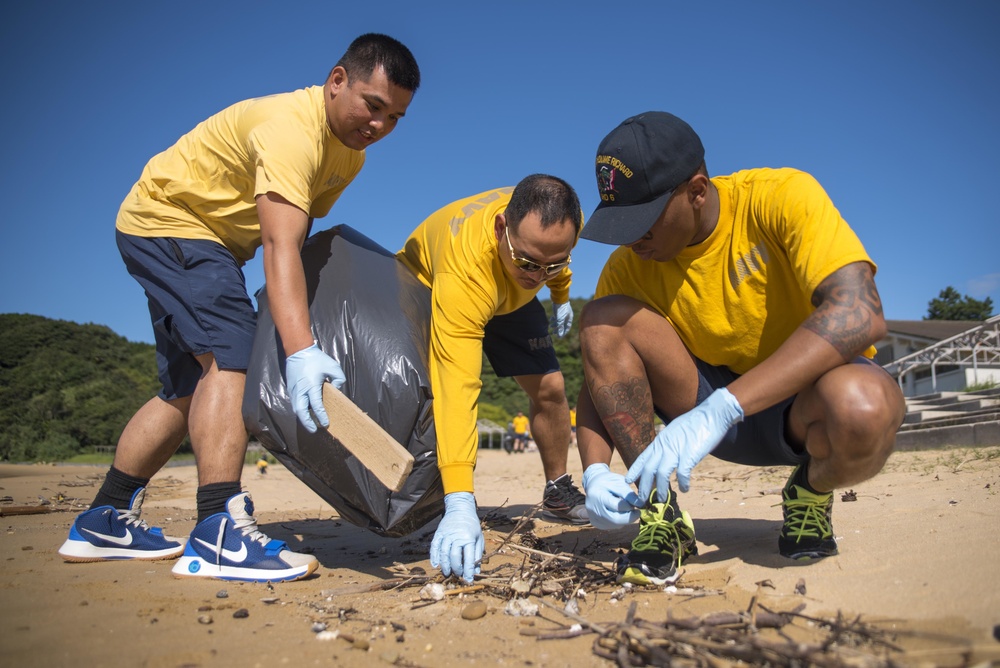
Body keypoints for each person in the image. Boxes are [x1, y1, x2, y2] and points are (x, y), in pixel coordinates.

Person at [57, 34, 421, 583]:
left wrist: (303, 322)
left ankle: (104, 517)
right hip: (173, 222)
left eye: (394, 117)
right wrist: (299, 351)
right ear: (337, 80)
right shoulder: (291, 131)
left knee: (187, 387)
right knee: (232, 358)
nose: (378, 126)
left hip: (207, 243)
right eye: (372, 105)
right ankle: (217, 530)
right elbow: (278, 247)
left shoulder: (351, 156)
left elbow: (298, 239)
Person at [575, 111, 906, 586]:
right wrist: (594, 473)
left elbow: (861, 311)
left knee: (865, 406)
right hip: (702, 404)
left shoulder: (779, 197)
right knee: (601, 316)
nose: (632, 239)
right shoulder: (630, 264)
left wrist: (724, 409)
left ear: (697, 190)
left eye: (644, 222)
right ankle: (660, 515)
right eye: (622, 224)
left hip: (802, 409)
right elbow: (600, 370)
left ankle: (810, 493)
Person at [396, 175, 589, 583]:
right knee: (421, 394)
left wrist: (560, 296)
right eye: (529, 261)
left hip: (509, 295)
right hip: (433, 286)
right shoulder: (465, 269)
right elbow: (459, 385)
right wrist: (462, 499)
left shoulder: (554, 238)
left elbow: (547, 265)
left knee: (552, 388)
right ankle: (437, 496)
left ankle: (558, 490)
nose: (539, 274)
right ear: (502, 228)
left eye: (551, 263)